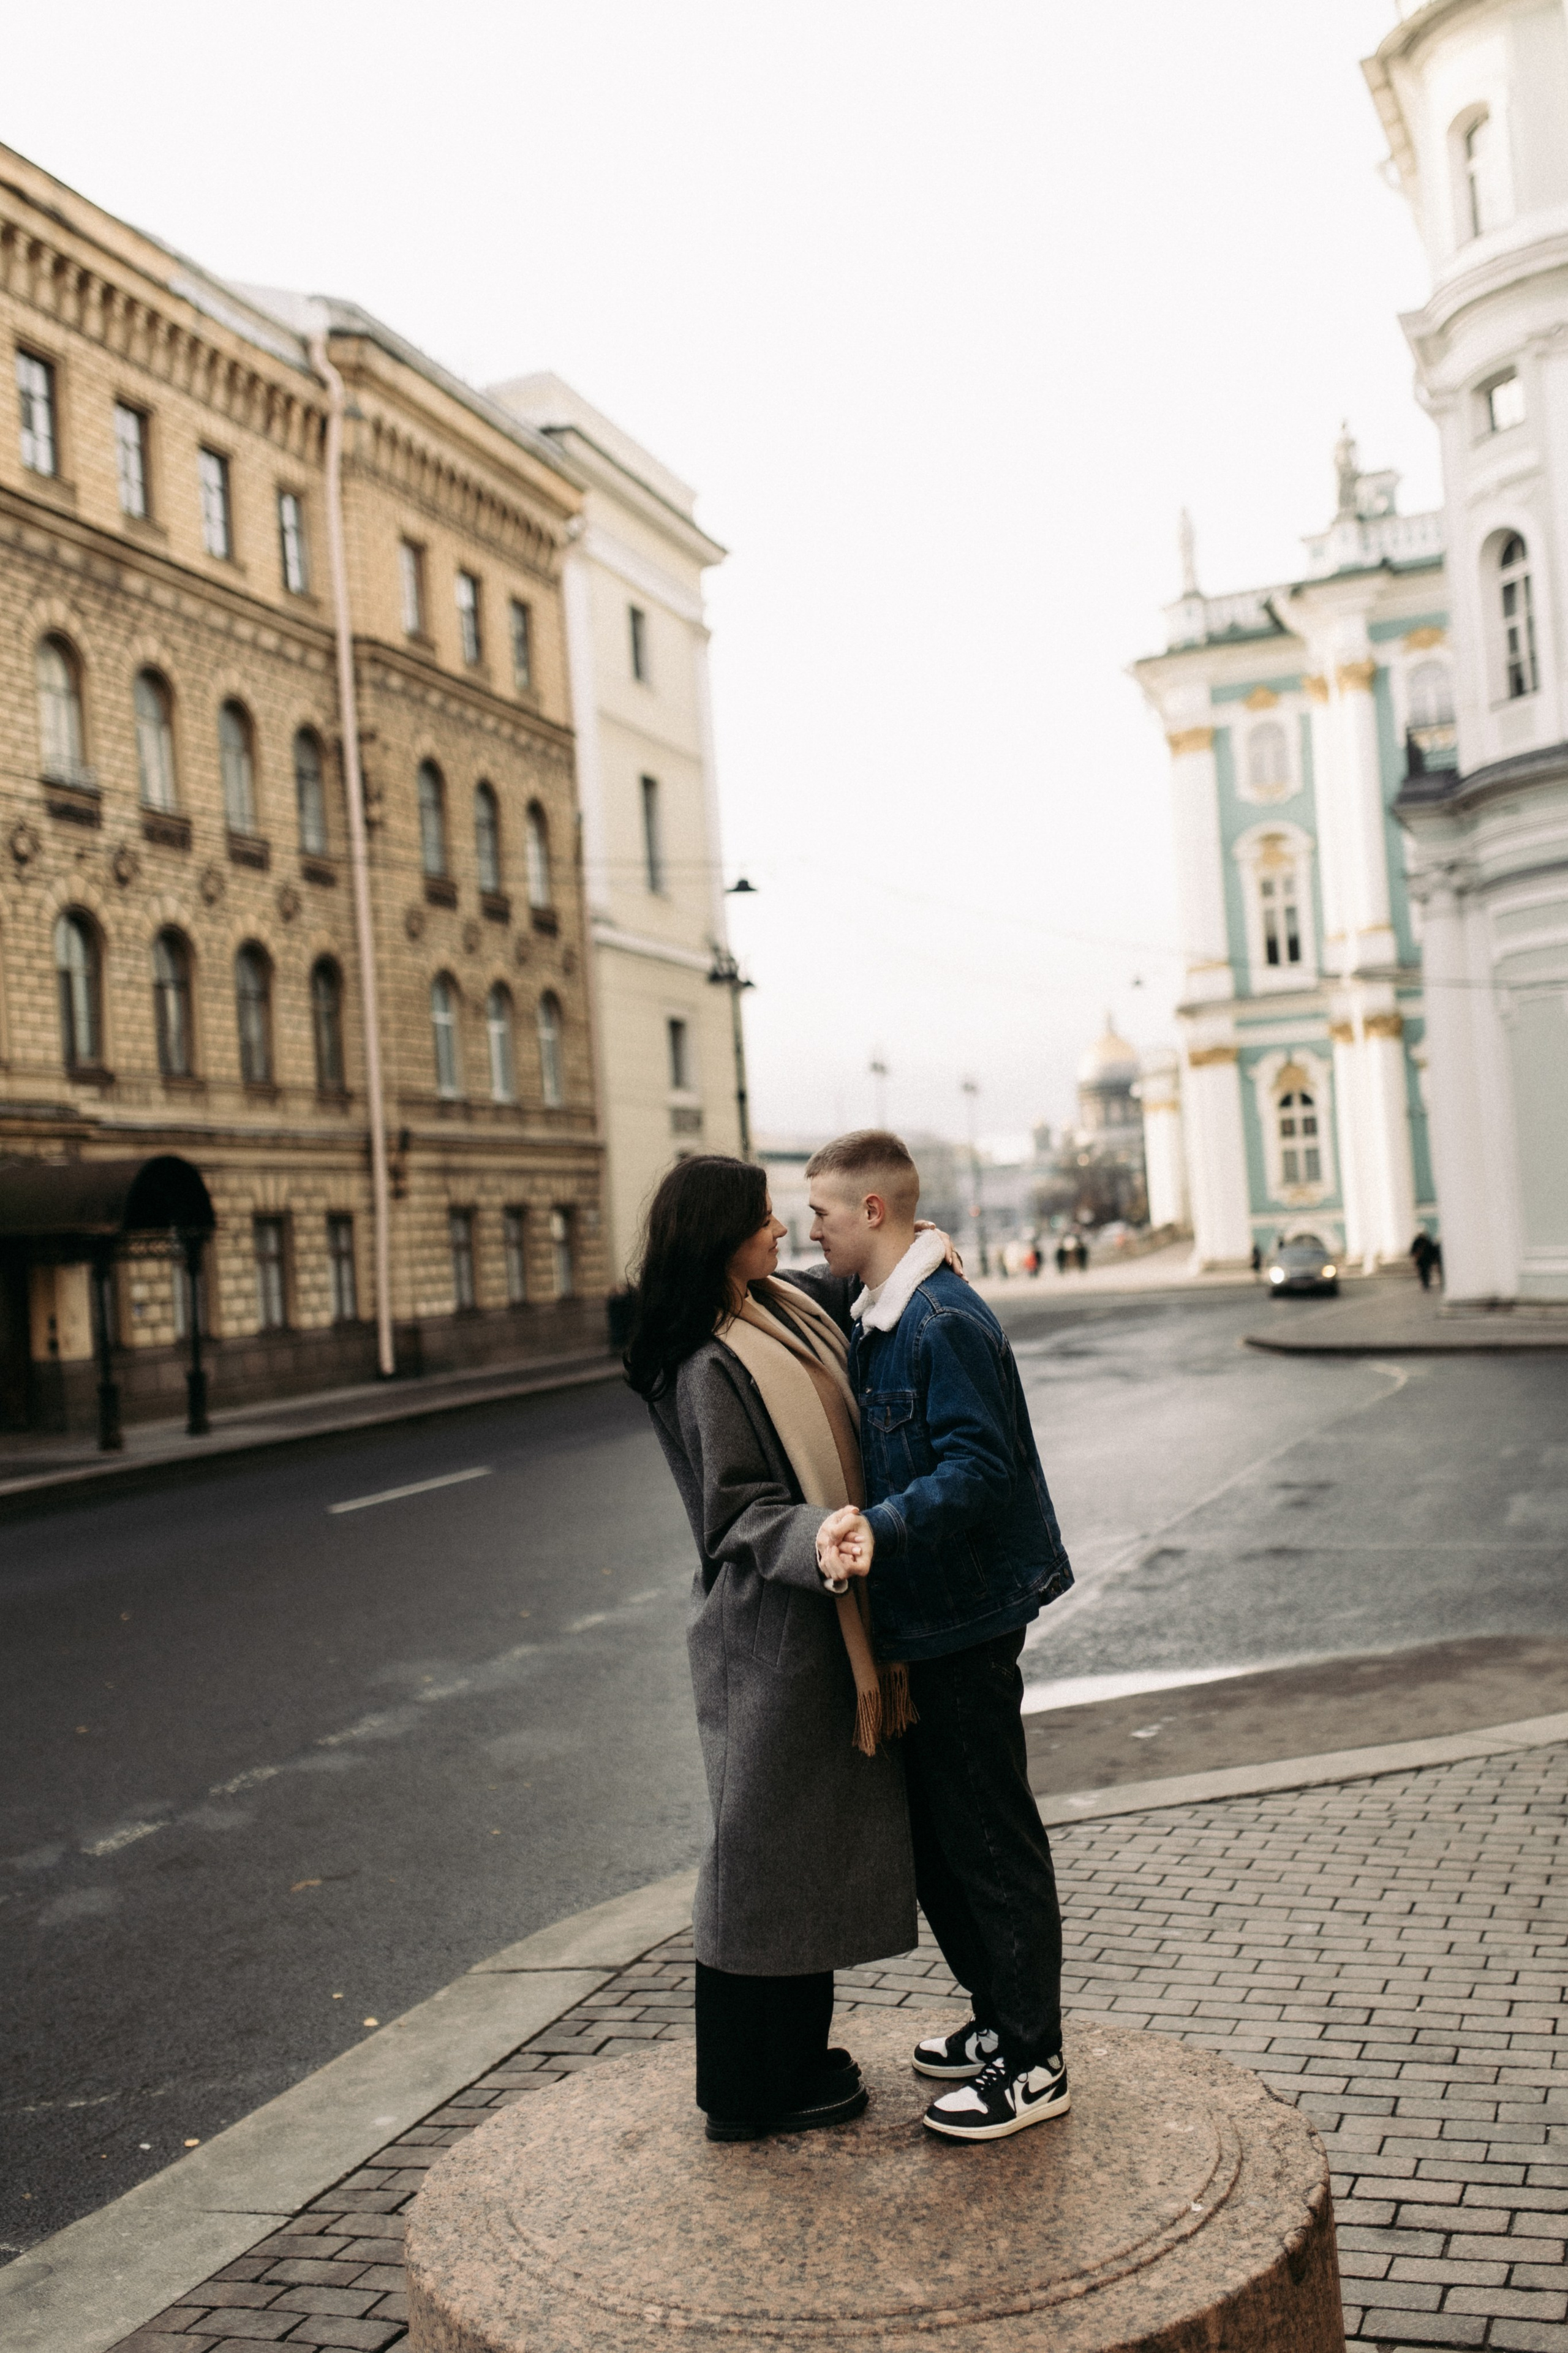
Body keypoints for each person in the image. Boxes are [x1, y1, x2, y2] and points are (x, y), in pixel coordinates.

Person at [624, 1154, 917, 2144]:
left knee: (802, 1858)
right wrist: (819, 1537)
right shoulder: (710, 1358)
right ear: (720, 1236)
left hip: (810, 1624)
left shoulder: (771, 1308)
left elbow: (852, 1280)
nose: (782, 1229)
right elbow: (737, 1511)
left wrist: (925, 1252)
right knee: (757, 1861)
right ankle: (746, 2088)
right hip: (770, 1629)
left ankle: (798, 2059)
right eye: (761, 1218)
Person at [808, 1131, 1075, 2145]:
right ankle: (1002, 2022)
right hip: (931, 1616)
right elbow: (787, 1291)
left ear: (874, 1213)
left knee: (990, 1838)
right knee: (942, 1842)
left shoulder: (940, 1319)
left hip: (966, 1613)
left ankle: (1035, 2059)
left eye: (825, 1214)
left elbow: (980, 1468)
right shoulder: (881, 1306)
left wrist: (882, 1527)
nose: (810, 1231)